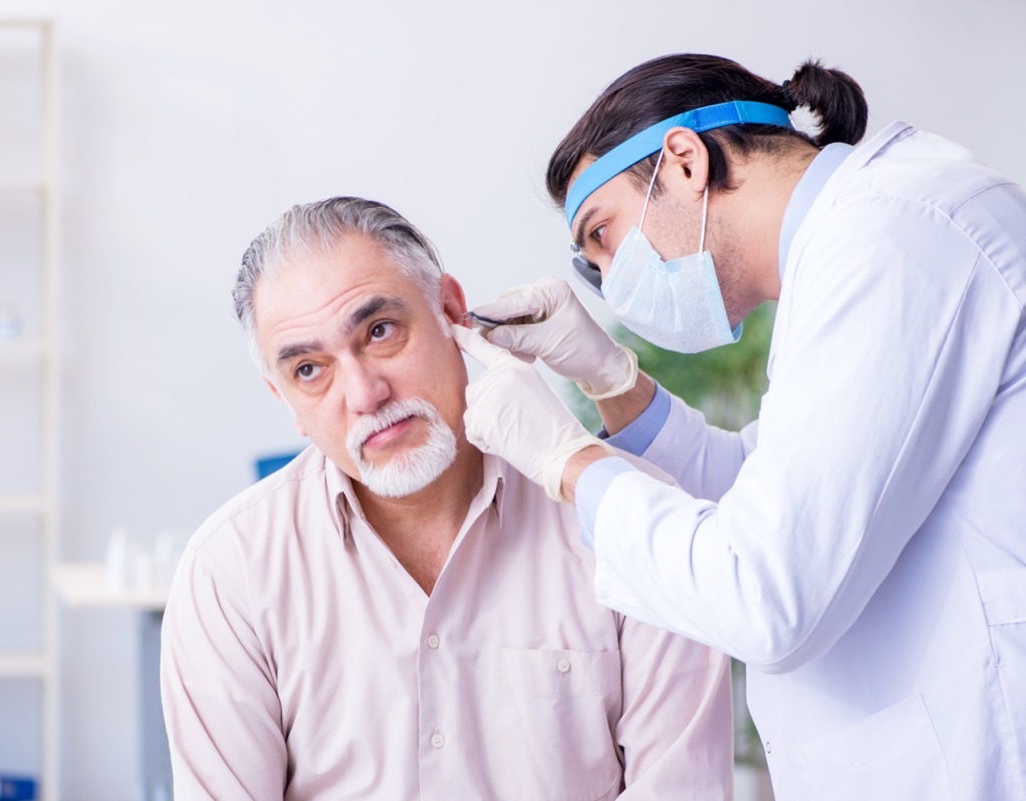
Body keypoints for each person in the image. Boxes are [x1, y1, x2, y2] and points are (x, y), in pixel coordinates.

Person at [456, 53, 1026, 801]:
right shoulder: (851, 248)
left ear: (686, 162)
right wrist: (612, 380)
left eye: (604, 235)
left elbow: (766, 593)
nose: (610, 284)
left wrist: (568, 461)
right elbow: (757, 492)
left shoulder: (890, 241)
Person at [158, 196, 735, 800]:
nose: (364, 393)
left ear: (451, 312)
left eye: (379, 332)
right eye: (309, 370)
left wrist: (612, 384)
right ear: (284, 401)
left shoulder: (627, 520)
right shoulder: (231, 573)